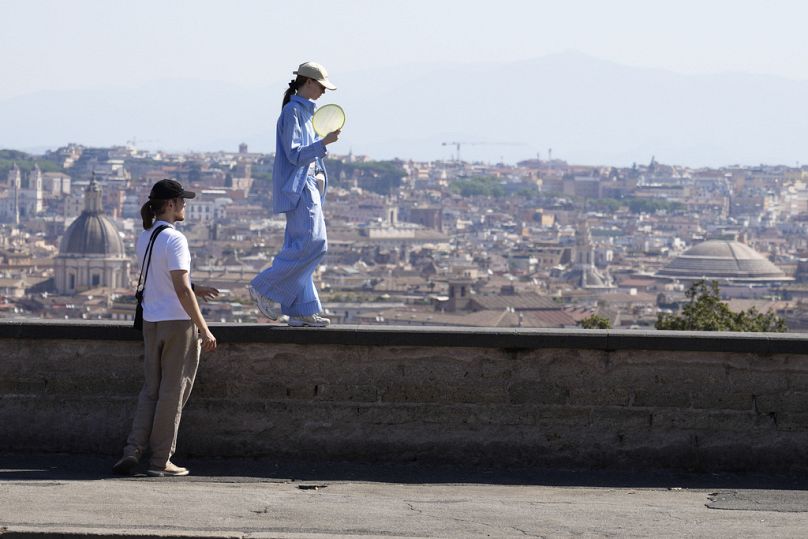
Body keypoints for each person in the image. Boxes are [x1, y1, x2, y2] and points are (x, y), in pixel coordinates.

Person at [113, 179, 218, 477]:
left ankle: (132, 450)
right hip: (176, 323)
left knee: (150, 391)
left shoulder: (145, 236)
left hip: (151, 322)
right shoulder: (176, 239)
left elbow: (161, 279)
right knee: (173, 392)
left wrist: (197, 287)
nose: (185, 205)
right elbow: (181, 289)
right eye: (182, 201)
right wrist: (204, 328)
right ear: (170, 205)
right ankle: (161, 461)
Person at [249, 61, 340, 327]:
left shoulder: (304, 113)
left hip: (307, 184)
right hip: (300, 186)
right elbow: (294, 154)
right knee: (314, 244)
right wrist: (323, 143)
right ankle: (264, 286)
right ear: (309, 83)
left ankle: (301, 309)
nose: (323, 92)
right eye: (321, 86)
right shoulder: (293, 113)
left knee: (302, 246)